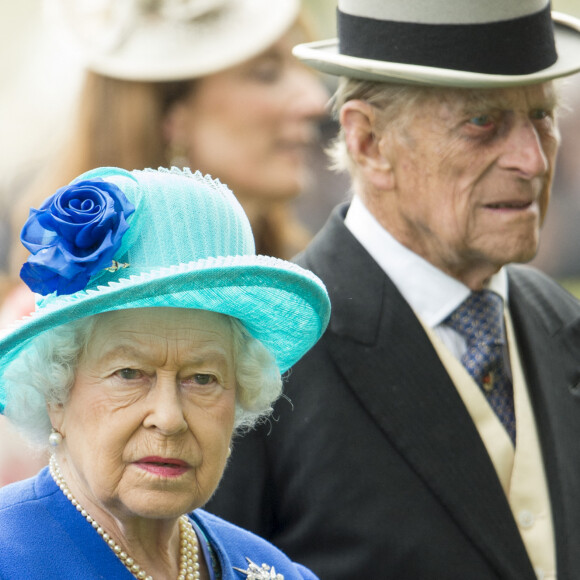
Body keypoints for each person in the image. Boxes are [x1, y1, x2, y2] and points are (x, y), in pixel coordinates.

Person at [205, 1, 580, 579]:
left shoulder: (558, 320)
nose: (531, 159)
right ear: (369, 142)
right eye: (482, 123)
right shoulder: (263, 354)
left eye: (542, 116)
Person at [0, 166, 330, 579]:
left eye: (203, 378)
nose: (170, 419)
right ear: (56, 393)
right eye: (130, 373)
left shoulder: (274, 572)